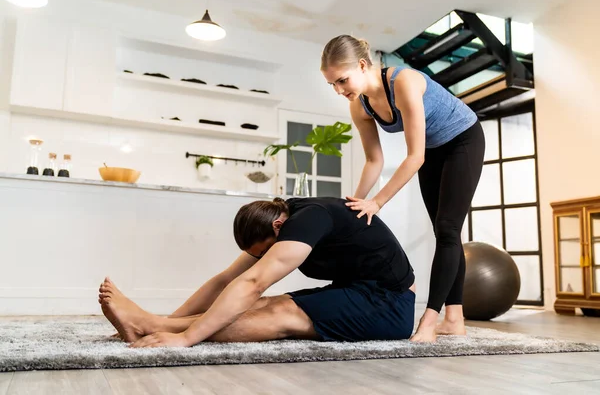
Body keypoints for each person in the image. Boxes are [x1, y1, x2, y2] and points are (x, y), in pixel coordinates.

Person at [320, 35, 485, 343]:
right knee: (444, 232)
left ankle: (429, 320)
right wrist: (359, 200)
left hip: (463, 139)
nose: (340, 90)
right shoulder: (360, 106)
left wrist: (378, 203)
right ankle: (455, 319)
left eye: (342, 80)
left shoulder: (404, 82)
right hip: (435, 149)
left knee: (448, 229)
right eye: (333, 85)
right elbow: (374, 160)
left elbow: (414, 157)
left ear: (361, 65)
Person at [99, 196, 416, 347]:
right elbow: (226, 280)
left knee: (281, 313)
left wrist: (186, 339)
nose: (262, 258)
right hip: (358, 292)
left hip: (391, 305)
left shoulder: (308, 219)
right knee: (264, 305)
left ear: (278, 226)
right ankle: (152, 324)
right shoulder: (284, 219)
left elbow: (253, 282)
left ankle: (150, 325)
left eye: (264, 251)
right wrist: (170, 322)